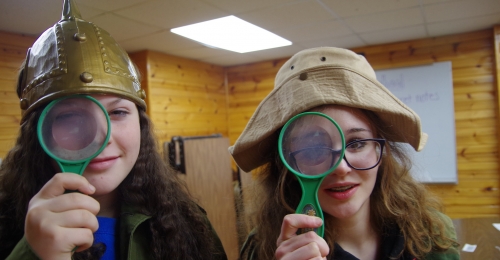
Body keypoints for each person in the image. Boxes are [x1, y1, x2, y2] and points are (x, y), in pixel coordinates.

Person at [0, 1, 227, 259]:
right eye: (71, 117)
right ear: (37, 134)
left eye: (118, 113)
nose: (101, 137)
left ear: (140, 125)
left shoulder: (189, 223)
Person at [229, 47, 459, 260]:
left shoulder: (433, 235)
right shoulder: (263, 250)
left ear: (381, 150)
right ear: (288, 162)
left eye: (357, 143)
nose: (340, 167)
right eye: (313, 148)